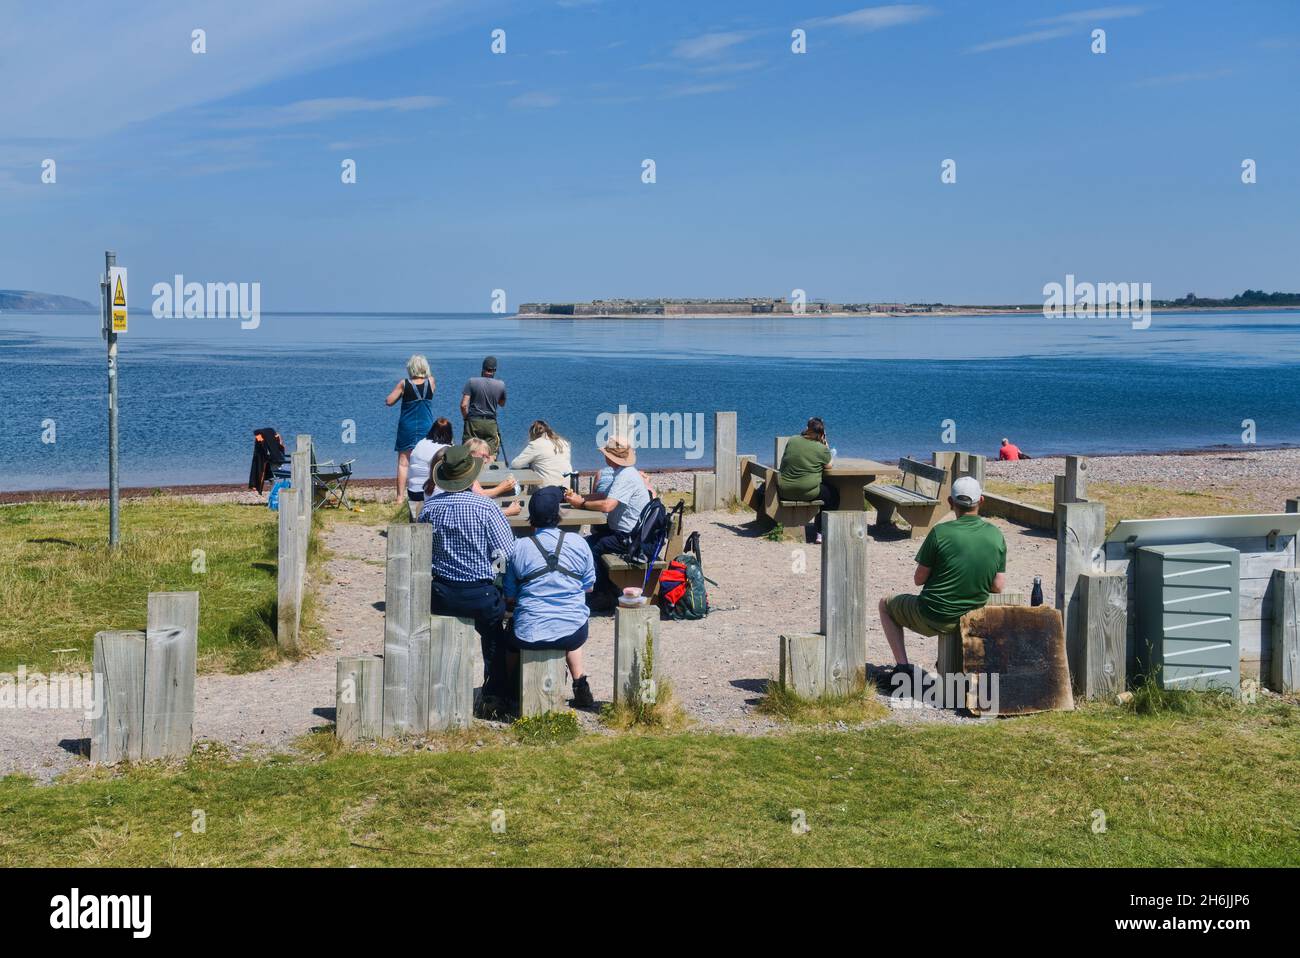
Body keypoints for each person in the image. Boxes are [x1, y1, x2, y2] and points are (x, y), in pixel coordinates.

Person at [418, 444, 516, 713]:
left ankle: (441, 689)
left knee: (444, 638)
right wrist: (495, 572)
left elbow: (422, 550)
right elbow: (505, 552)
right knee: (494, 637)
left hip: (442, 592)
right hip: (481, 592)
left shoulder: (430, 508)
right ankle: (494, 694)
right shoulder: (485, 507)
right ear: (471, 476)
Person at [878, 476, 1007, 675]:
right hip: (972, 615)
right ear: (981, 501)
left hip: (934, 614)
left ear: (950, 502)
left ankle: (903, 667)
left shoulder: (940, 532)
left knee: (885, 605)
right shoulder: (996, 535)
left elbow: (918, 579)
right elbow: (998, 586)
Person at [503, 486, 597, 709]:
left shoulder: (519, 547)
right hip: (572, 631)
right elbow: (589, 587)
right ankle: (579, 682)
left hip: (529, 632)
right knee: (569, 623)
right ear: (558, 516)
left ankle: (507, 688)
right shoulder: (579, 542)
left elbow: (510, 594)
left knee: (510, 642)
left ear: (531, 519)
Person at [564, 438, 650, 604]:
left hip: (629, 537)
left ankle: (602, 593)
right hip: (627, 532)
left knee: (590, 547)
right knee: (590, 541)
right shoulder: (624, 472)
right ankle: (605, 587)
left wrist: (581, 503)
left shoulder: (626, 475)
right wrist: (580, 498)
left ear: (610, 457)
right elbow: (605, 496)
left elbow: (608, 505)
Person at [777, 417, 839, 542]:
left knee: (826, 490)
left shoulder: (792, 440)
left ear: (807, 429)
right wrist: (826, 446)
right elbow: (829, 465)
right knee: (833, 495)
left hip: (784, 490)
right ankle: (821, 532)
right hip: (807, 492)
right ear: (822, 435)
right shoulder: (821, 449)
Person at [386, 355, 436, 503]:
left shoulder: (404, 384)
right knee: (428, 460)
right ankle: (428, 492)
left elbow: (389, 401)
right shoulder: (431, 382)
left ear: (411, 368)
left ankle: (400, 498)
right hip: (426, 425)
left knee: (403, 462)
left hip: (407, 426)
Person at [406, 418, 454, 516]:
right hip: (428, 492)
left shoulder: (420, 443)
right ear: (449, 433)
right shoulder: (445, 449)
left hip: (412, 491)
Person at [460, 356, 506, 456]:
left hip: (473, 422)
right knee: (490, 453)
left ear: (483, 368)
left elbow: (463, 405)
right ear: (494, 370)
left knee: (468, 451)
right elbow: (502, 404)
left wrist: (466, 419)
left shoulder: (471, 382)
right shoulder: (501, 384)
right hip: (490, 422)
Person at [465, 438, 522, 516]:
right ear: (471, 454)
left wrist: (501, 488)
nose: (486, 461)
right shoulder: (466, 473)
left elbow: (478, 495)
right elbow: (480, 496)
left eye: (487, 457)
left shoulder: (466, 470)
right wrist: (507, 511)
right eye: (483, 456)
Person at [510, 420, 574, 488]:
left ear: (533, 433)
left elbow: (516, 464)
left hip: (547, 489)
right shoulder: (563, 442)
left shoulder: (535, 444)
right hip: (568, 487)